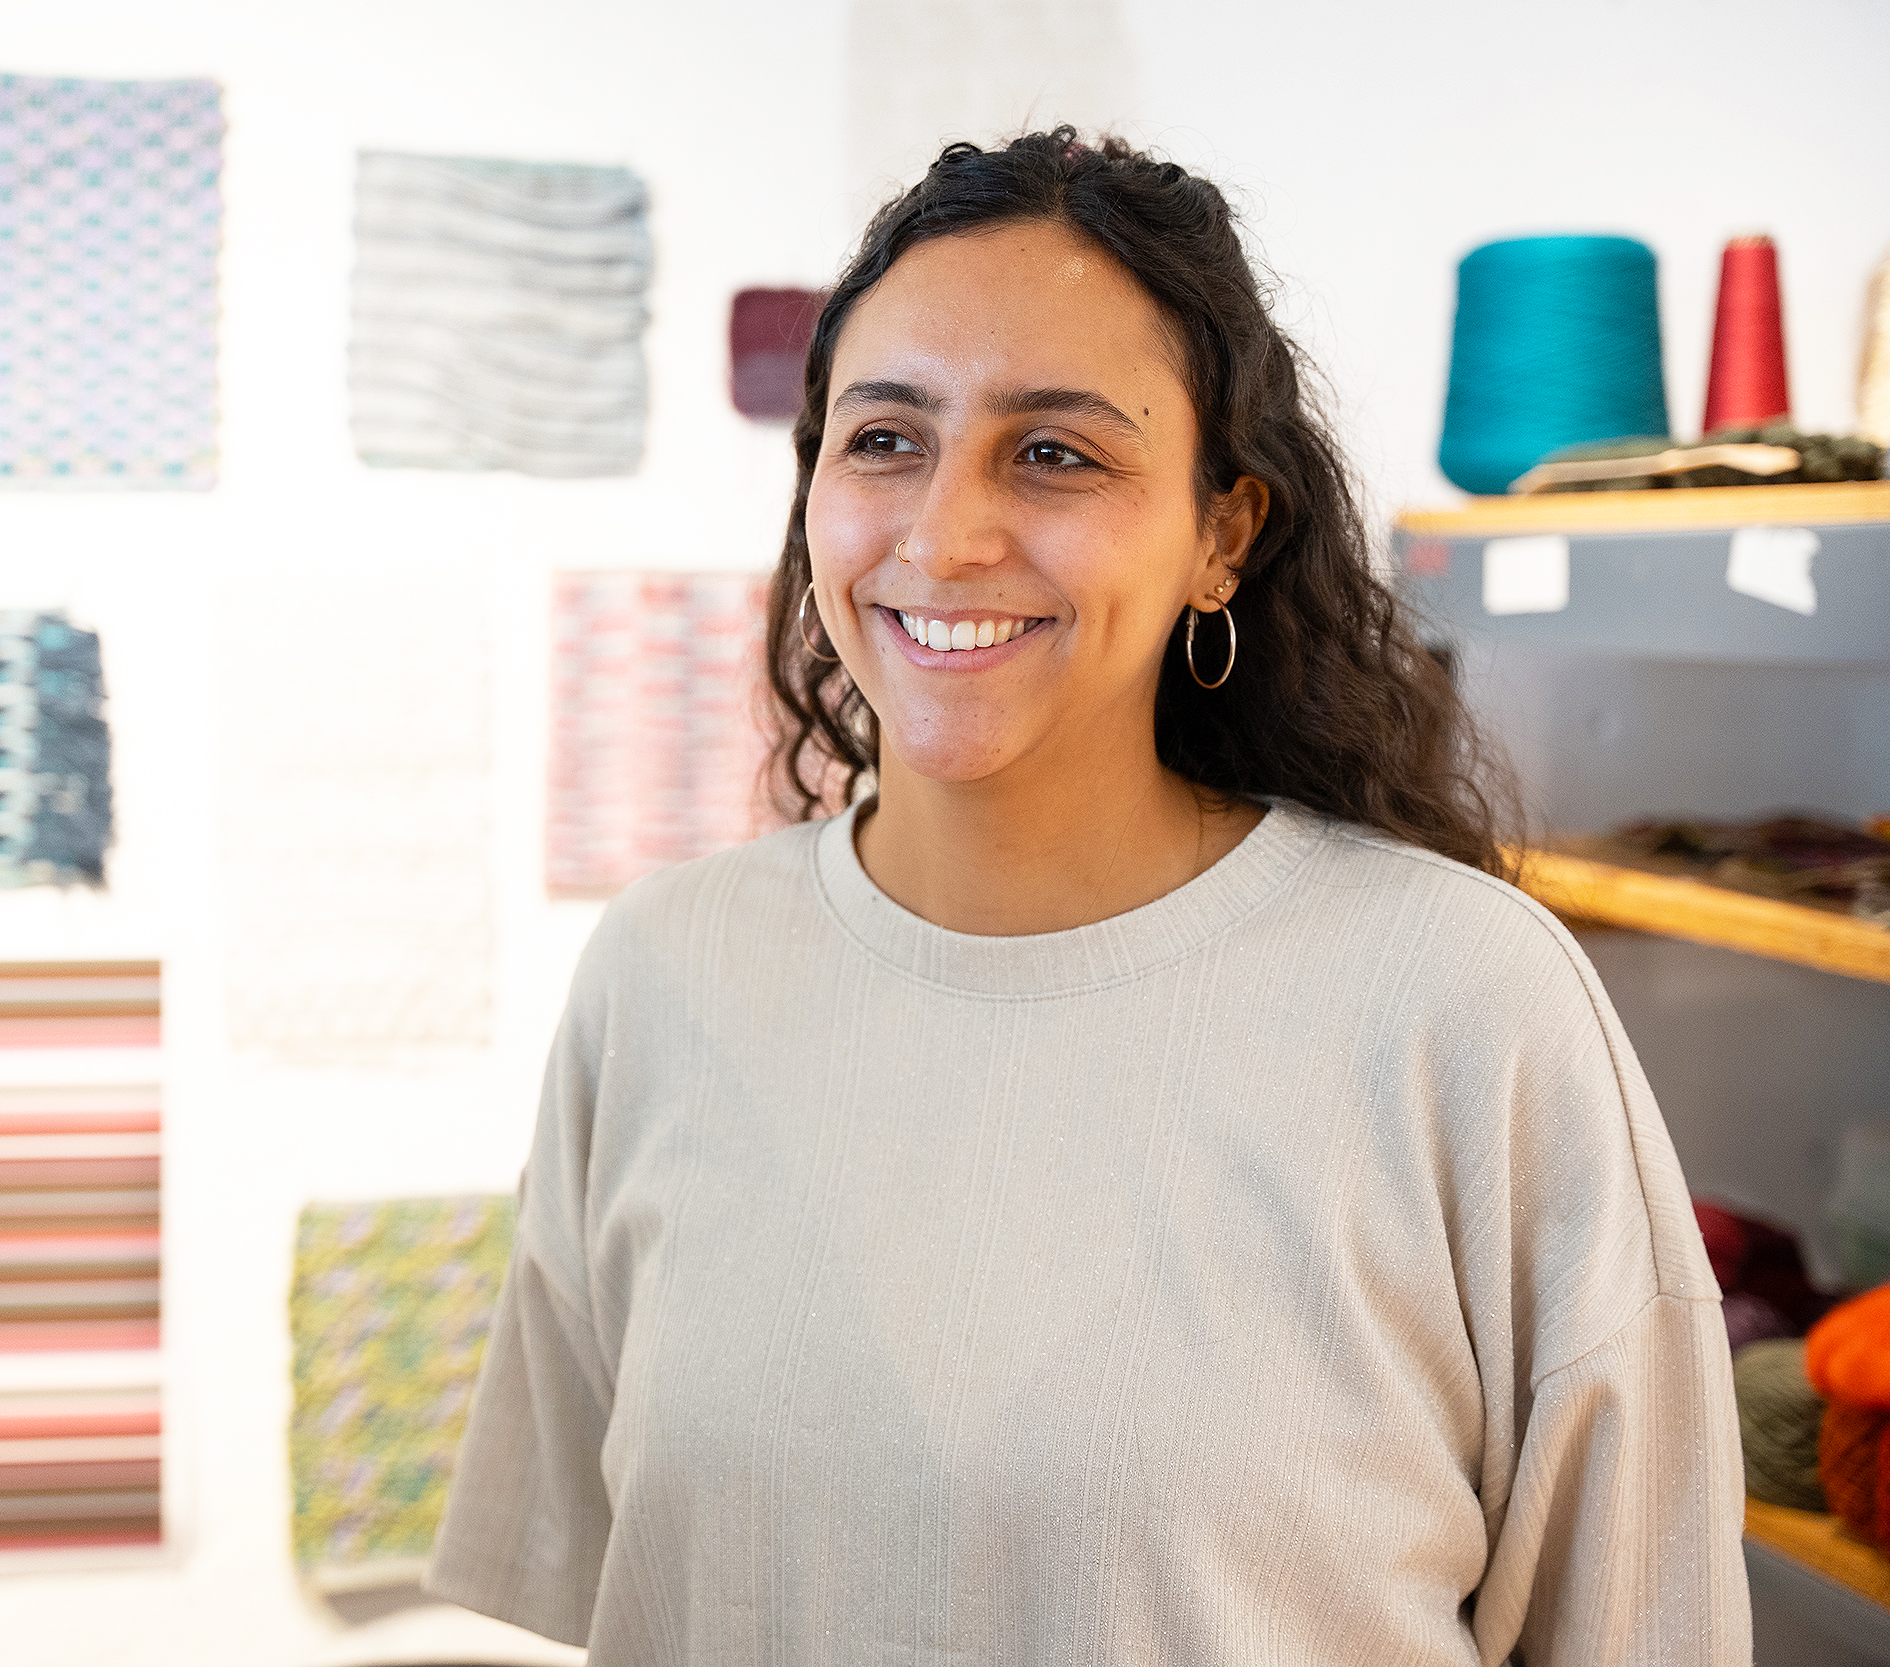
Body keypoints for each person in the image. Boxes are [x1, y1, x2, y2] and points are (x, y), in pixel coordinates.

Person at [428, 129, 1748, 1663]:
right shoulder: (663, 972)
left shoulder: (1465, 1005)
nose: (946, 534)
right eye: (884, 439)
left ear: (1222, 533)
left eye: (1054, 451)